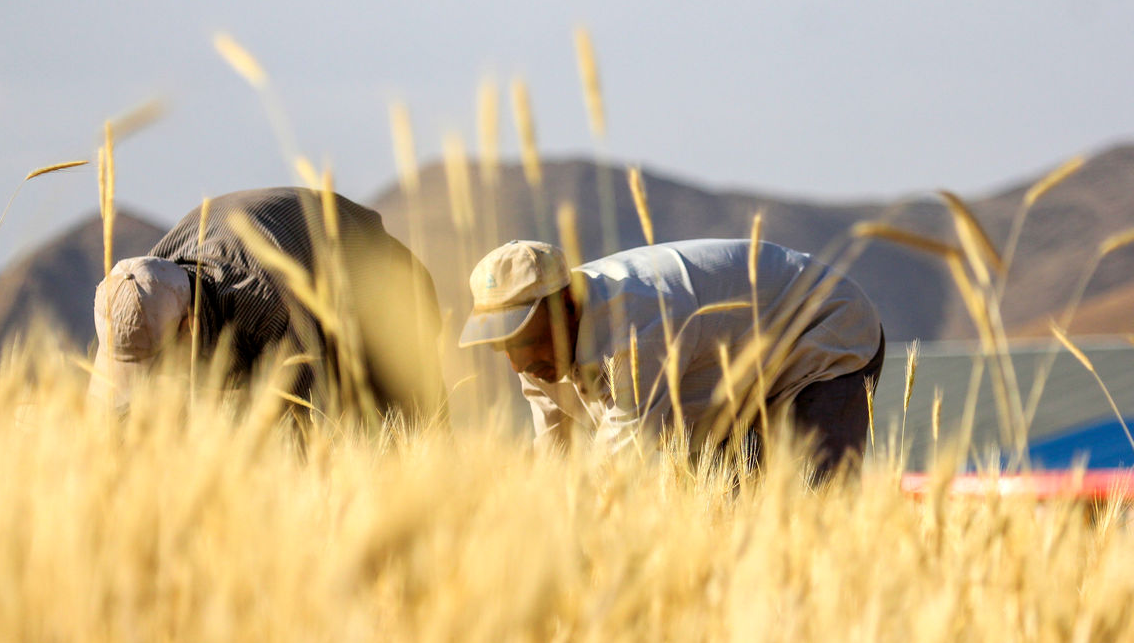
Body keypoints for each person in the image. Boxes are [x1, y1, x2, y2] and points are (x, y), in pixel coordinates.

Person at [458, 239, 884, 481]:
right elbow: (555, 457)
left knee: (811, 506)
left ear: (568, 304)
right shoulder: (536, 358)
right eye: (503, 345)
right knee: (720, 519)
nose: (518, 363)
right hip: (724, 379)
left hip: (823, 329)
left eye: (527, 340)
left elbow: (615, 471)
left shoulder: (636, 327)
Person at [89, 187, 447, 426]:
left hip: (387, 297)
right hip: (296, 289)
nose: (158, 373)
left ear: (189, 325)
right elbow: (109, 415)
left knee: (408, 439)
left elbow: (314, 427)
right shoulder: (147, 285)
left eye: (159, 359)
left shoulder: (267, 303)